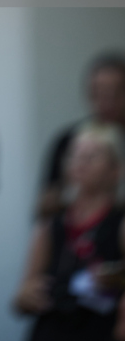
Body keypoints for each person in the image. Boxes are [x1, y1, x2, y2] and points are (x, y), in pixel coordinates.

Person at [15, 123, 125, 341]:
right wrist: (28, 295)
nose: (81, 162)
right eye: (75, 155)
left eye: (92, 155)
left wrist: (113, 278)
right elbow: (20, 300)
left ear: (115, 170)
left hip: (101, 336)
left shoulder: (120, 223)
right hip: (52, 335)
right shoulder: (51, 224)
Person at [37, 52, 125, 219]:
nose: (108, 100)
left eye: (117, 91)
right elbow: (43, 207)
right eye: (99, 92)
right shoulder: (69, 140)